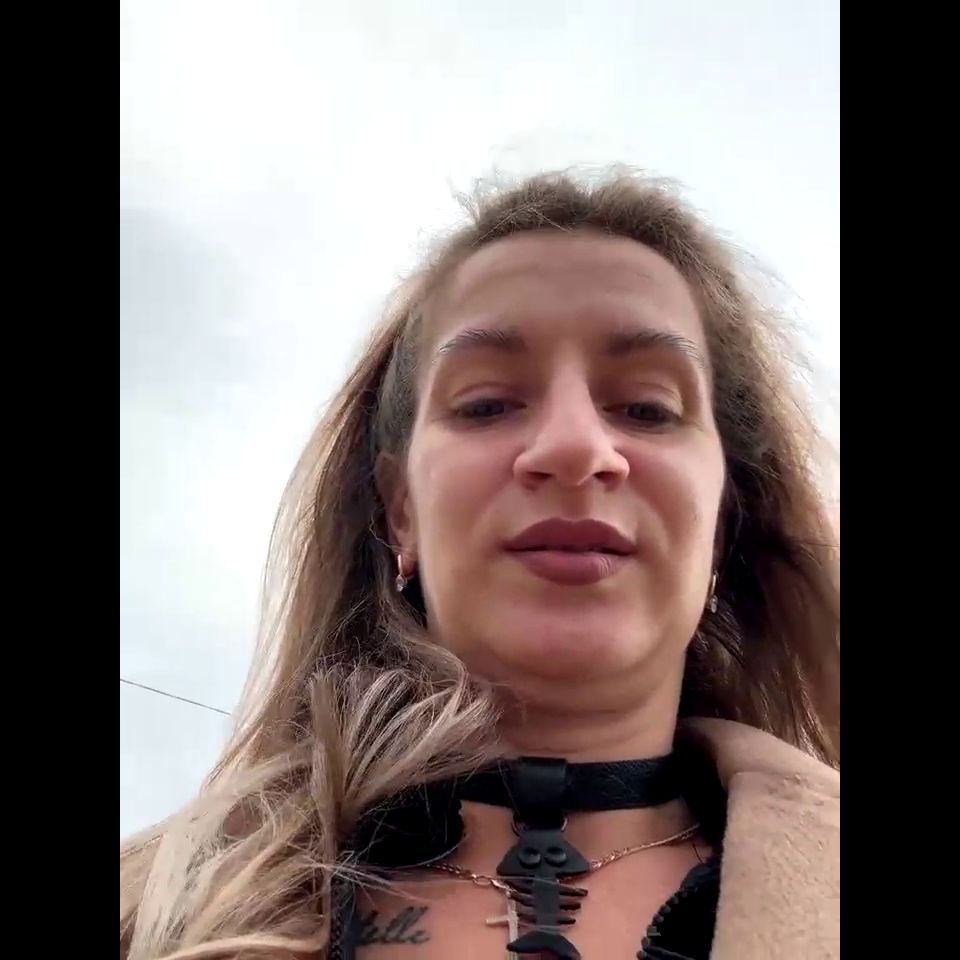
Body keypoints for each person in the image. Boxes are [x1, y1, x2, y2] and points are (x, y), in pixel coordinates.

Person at [120, 171, 840, 960]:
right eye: (487, 404)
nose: (574, 447)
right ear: (400, 511)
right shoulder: (143, 913)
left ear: (723, 523)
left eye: (646, 408)